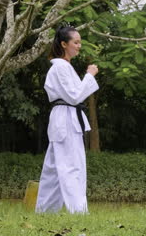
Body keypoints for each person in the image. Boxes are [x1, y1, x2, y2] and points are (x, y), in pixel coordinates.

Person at [36, 26, 99, 214]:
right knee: (72, 167)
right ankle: (78, 211)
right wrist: (90, 75)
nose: (79, 46)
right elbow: (74, 96)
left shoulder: (64, 67)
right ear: (64, 44)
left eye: (80, 42)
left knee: (54, 170)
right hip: (65, 119)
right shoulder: (61, 67)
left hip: (65, 118)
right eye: (76, 42)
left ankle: (45, 211)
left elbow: (74, 95)